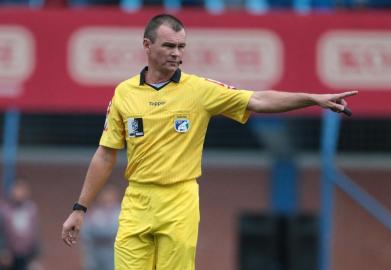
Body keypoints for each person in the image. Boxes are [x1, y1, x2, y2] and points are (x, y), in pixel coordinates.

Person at [61, 13, 358, 270]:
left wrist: (312, 99)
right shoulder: (124, 93)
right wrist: (80, 208)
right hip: (136, 200)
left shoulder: (199, 90)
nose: (177, 53)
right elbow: (105, 154)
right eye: (169, 45)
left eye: (181, 47)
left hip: (179, 200)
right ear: (147, 46)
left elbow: (257, 99)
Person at [0, 180, 41, 270]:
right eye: (17, 190)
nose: (19, 193)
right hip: (9, 255)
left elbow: (35, 233)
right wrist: (3, 250)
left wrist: (36, 255)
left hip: (27, 255)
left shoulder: (31, 210)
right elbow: (2, 232)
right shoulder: (5, 210)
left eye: (22, 190)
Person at [80, 185, 120, 270]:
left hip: (113, 253)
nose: (108, 203)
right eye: (105, 200)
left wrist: (99, 232)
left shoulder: (120, 213)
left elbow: (116, 231)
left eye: (110, 200)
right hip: (95, 252)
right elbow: (85, 231)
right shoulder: (94, 212)